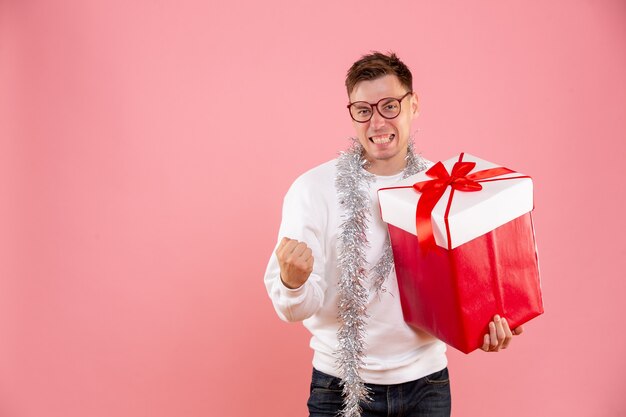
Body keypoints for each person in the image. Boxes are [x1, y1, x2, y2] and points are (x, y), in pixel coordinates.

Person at [263, 51, 524, 417]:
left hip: (427, 387)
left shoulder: (447, 186)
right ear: (351, 114)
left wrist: (486, 327)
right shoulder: (312, 190)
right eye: (363, 110)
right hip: (339, 388)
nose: (377, 122)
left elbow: (466, 289)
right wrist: (292, 283)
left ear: (413, 105)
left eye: (389, 106)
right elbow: (294, 310)